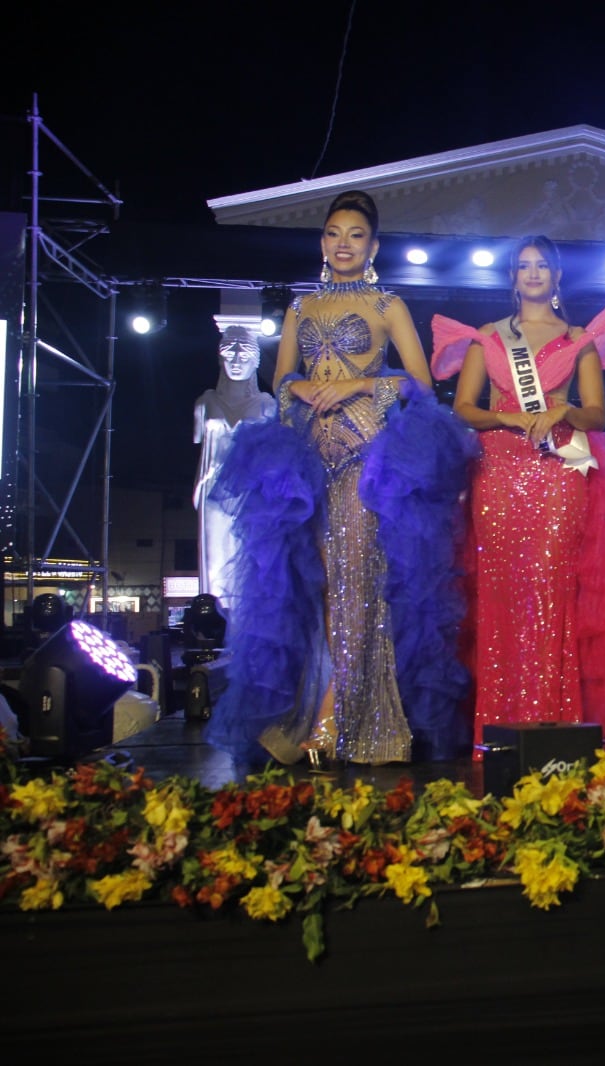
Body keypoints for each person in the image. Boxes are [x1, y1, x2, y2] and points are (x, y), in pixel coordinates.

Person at [209, 189, 473, 768]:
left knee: (357, 585)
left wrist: (358, 384)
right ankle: (317, 712)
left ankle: (346, 720)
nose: (343, 243)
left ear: (373, 245)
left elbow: (421, 386)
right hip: (305, 460)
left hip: (366, 458)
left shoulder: (388, 305)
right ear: (322, 242)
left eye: (355, 235)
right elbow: (279, 382)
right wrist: (298, 387)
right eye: (333, 233)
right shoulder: (300, 308)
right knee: (313, 591)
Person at [432, 235, 605, 750]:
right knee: (501, 593)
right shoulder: (488, 338)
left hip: (557, 472)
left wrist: (562, 411)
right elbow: (463, 409)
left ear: (558, 276)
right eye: (524, 266)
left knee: (551, 592)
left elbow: (597, 414)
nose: (533, 273)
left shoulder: (579, 339)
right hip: (499, 471)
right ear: (512, 277)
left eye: (542, 265)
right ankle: (496, 729)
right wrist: (507, 416)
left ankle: (553, 726)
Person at [193, 326, 275, 613]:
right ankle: (214, 620)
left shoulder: (266, 405)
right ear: (220, 358)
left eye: (245, 353)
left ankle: (248, 622)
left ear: (256, 361)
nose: (237, 360)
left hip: (250, 489)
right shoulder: (205, 403)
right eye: (230, 353)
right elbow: (200, 444)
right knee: (215, 560)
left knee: (248, 557)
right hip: (213, 486)